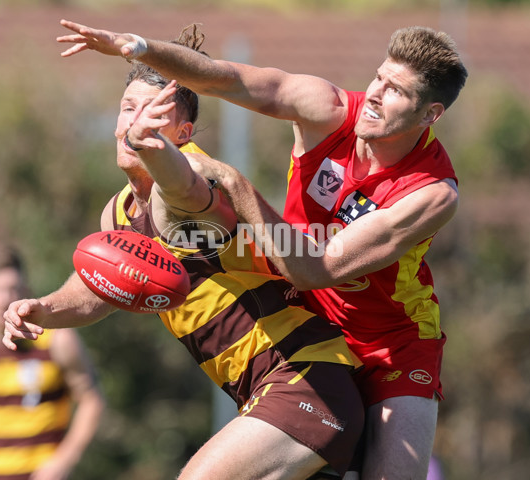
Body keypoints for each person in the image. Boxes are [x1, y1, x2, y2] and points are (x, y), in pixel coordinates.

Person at [54, 20, 468, 480]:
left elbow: (317, 267)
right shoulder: (327, 109)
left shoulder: (431, 192)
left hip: (391, 343)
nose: (374, 94)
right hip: (305, 322)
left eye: (396, 92)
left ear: (430, 115)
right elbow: (223, 78)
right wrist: (139, 47)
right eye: (379, 78)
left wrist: (237, 186)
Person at [2, 50, 366, 479]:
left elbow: (181, 187)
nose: (136, 122)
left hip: (306, 379)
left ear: (183, 133)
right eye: (129, 110)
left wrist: (152, 146)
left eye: (155, 115)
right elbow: (100, 287)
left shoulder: (189, 186)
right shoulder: (117, 213)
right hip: (269, 396)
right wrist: (44, 309)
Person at [0, 245, 105, 480]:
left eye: (12, 288)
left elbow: (91, 401)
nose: (4, 299)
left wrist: (62, 462)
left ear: (24, 287)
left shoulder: (57, 340)